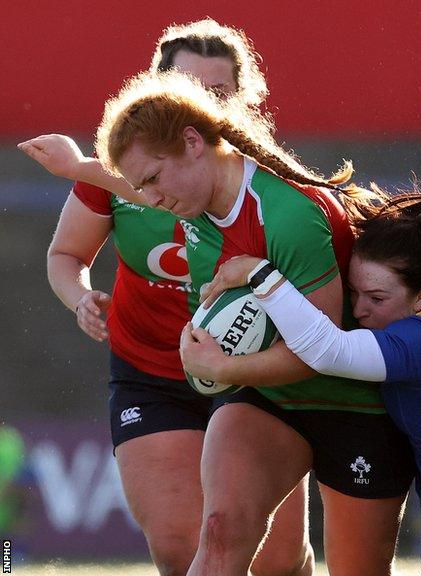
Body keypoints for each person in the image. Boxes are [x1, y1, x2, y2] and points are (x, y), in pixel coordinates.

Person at [94, 69, 417, 576]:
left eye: (153, 179)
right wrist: (209, 354)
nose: (151, 199)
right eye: (141, 188)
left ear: (193, 142)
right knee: (220, 531)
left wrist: (223, 367)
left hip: (356, 404)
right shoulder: (194, 213)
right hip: (270, 401)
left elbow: (320, 350)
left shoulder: (288, 214)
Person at [18, 20, 311, 576]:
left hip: (255, 373)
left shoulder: (270, 182)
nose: (194, 110)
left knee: (274, 561)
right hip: (152, 372)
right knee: (182, 551)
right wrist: (77, 297)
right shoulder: (119, 176)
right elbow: (65, 257)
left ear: (244, 101)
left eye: (215, 95)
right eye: (182, 88)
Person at [181, 191, 421, 576]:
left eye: (376, 297)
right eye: (354, 291)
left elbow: (327, 350)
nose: (358, 309)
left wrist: (259, 276)